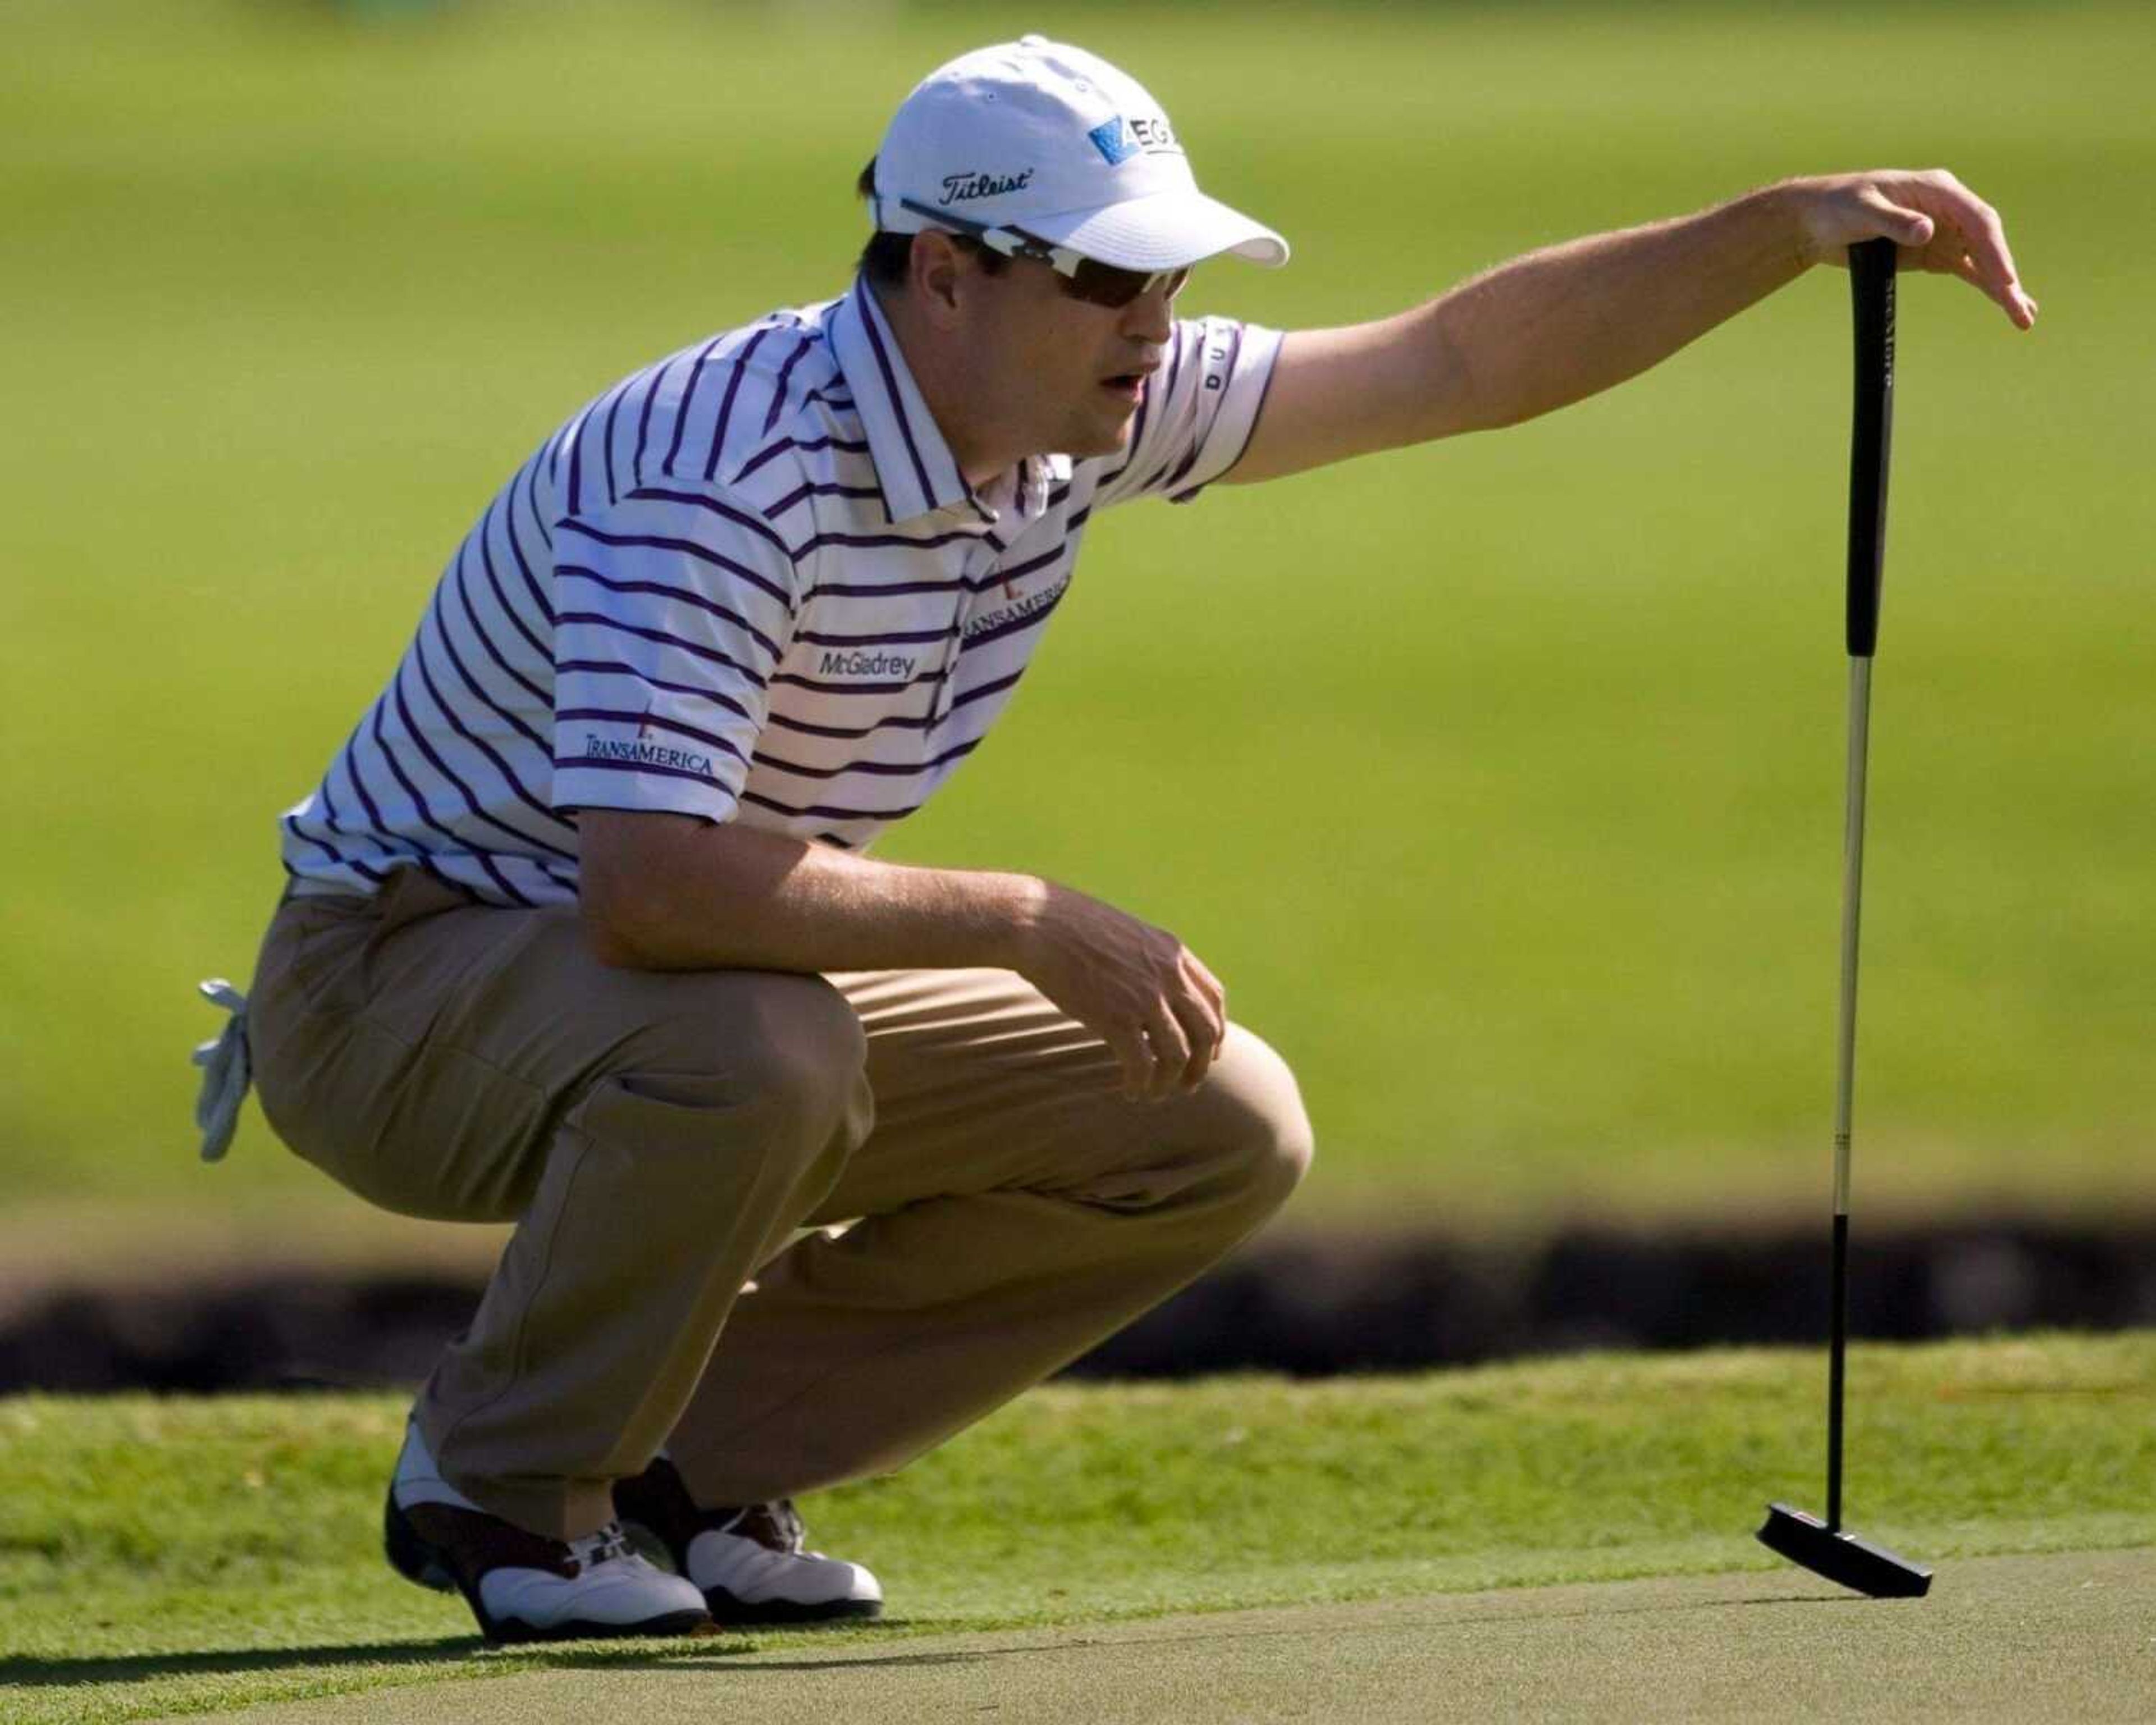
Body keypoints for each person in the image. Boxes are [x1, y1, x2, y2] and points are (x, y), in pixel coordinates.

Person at [189, 34, 2034, 1644]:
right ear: (942, 273)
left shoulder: (1074, 415)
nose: (1150, 324)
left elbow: (1455, 361)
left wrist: (1778, 230)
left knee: (1215, 1122)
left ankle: (682, 1467)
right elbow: (657, 886)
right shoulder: (716, 471)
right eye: (1105, 280)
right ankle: (503, 1482)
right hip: (391, 992)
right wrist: (1024, 915)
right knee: (761, 1044)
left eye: (1164, 280)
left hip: (654, 979)